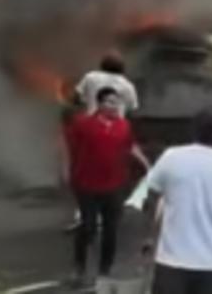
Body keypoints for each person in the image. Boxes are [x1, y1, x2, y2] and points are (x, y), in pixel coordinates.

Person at [143, 110, 212, 294]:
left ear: (193, 131)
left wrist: (151, 235)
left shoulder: (171, 158)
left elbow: (151, 197)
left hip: (171, 262)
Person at [63, 87, 150, 285]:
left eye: (117, 103)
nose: (114, 106)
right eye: (110, 102)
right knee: (89, 226)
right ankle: (79, 267)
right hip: (86, 184)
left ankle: (105, 271)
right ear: (100, 104)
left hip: (114, 185)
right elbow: (68, 147)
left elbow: (130, 146)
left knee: (111, 230)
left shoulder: (123, 126)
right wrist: (67, 170)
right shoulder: (83, 124)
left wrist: (145, 163)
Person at [74, 54, 139, 118]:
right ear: (122, 68)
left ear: (103, 65)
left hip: (92, 122)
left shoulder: (90, 77)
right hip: (115, 125)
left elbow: (76, 97)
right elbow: (132, 108)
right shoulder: (128, 85)